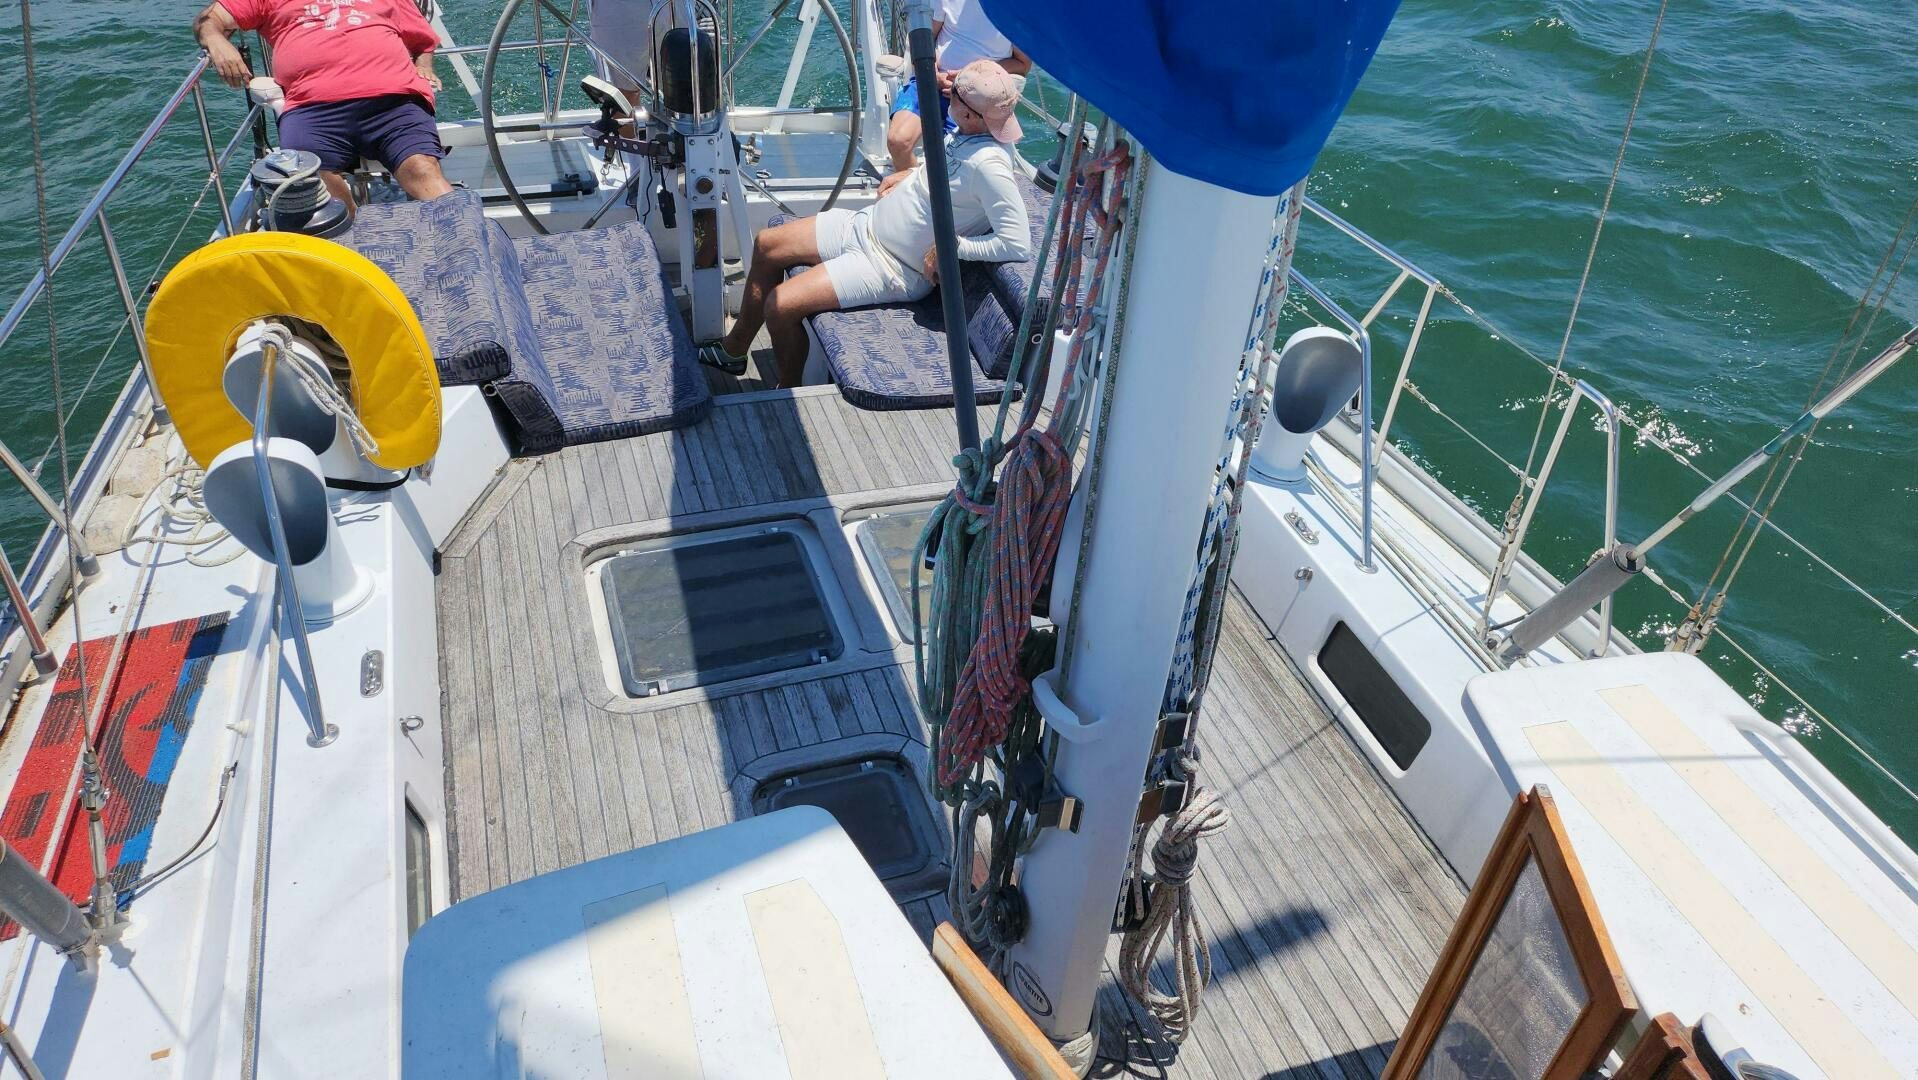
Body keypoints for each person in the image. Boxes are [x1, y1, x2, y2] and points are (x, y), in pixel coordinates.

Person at [708, 61, 1031, 388]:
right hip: (865, 226)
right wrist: (910, 175)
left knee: (779, 307)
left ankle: (787, 388)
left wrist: (955, 248)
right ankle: (734, 350)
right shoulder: (964, 134)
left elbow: (1016, 243)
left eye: (954, 96)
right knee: (766, 244)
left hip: (890, 266)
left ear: (967, 112)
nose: (947, 95)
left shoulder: (991, 166)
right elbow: (947, 179)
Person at [194, 0, 454, 207]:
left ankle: (463, 242)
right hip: (313, 107)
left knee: (422, 169)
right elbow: (209, 21)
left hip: (393, 101)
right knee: (311, 182)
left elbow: (422, 41)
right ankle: (350, 243)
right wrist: (217, 41)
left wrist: (423, 66)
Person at [886, 0, 1030, 172]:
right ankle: (917, 192)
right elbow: (927, 38)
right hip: (933, 80)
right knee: (898, 142)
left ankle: (931, 192)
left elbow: (1022, 64)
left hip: (975, 100)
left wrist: (970, 76)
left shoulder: (1019, 9)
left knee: (953, 162)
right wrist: (931, 74)